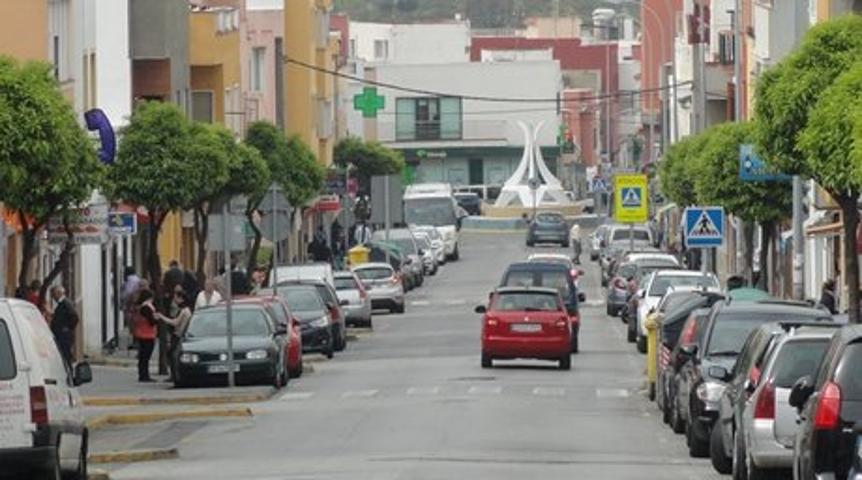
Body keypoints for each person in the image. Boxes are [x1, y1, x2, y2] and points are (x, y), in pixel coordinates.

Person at [156, 291, 192, 382]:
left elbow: (175, 322)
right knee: (172, 355)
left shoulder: (184, 311)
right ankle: (174, 375)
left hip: (178, 335)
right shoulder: (184, 310)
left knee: (173, 356)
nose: (174, 300)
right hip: (178, 335)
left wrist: (162, 317)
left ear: (181, 299)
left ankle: (175, 375)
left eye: (176, 298)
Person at [49, 286, 79, 366]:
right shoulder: (61, 304)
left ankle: (69, 371)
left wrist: (68, 328)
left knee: (66, 356)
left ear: (59, 293)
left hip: (64, 337)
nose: (53, 297)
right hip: (61, 335)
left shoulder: (66, 303)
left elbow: (75, 317)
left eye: (53, 294)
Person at [133, 288, 158, 382]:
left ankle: (142, 374)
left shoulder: (141, 307)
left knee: (143, 356)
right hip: (148, 334)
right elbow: (152, 322)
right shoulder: (147, 308)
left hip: (142, 333)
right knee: (145, 357)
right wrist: (156, 319)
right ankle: (144, 375)